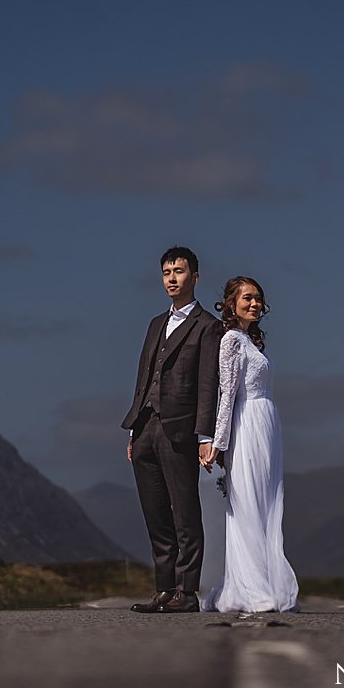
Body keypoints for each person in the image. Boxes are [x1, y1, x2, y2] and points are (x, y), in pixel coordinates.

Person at [121, 246, 222, 613]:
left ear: (195, 276)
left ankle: (187, 592)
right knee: (155, 514)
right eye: (166, 272)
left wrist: (205, 436)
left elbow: (208, 384)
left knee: (185, 513)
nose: (172, 278)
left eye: (179, 271)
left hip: (180, 430)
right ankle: (164, 589)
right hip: (145, 426)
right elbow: (143, 377)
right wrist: (133, 428)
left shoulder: (209, 327)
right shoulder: (154, 324)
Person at [200, 276, 300, 613]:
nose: (254, 303)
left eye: (258, 298)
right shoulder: (230, 341)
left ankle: (268, 582)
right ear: (231, 302)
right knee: (248, 505)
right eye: (247, 297)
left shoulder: (251, 341)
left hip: (267, 428)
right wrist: (218, 442)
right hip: (246, 427)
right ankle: (251, 589)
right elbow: (227, 394)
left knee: (268, 504)